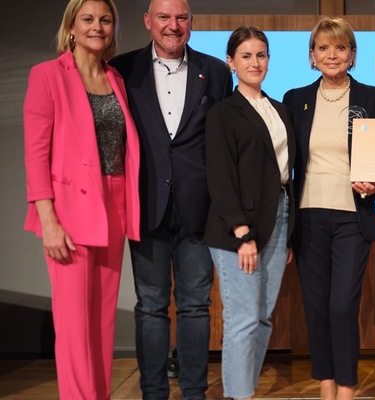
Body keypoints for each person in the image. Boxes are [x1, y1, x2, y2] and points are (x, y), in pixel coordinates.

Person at [108, 0, 232, 398]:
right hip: (145, 205)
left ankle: (194, 392)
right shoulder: (122, 70)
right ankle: (153, 393)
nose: (173, 26)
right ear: (148, 21)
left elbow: (221, 142)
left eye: (181, 18)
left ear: (191, 22)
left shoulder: (215, 71)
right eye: (164, 17)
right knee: (151, 306)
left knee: (196, 306)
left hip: (200, 208)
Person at [23, 0, 140, 398]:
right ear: (71, 26)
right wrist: (48, 221)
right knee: (74, 326)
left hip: (115, 204)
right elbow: (35, 153)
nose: (97, 27)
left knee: (102, 321)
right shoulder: (47, 75)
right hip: (68, 211)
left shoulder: (115, 78)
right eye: (88, 19)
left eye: (105, 20)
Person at [282, 17, 375, 400]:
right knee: (316, 307)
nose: (332, 55)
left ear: (352, 54)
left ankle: (346, 387)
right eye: (324, 48)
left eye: (341, 47)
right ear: (312, 55)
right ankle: (326, 386)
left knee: (342, 306)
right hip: (308, 216)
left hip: (352, 216)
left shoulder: (374, 98)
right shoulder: (295, 99)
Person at [204, 25, 295, 400]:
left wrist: (288, 232)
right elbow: (220, 177)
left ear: (269, 59)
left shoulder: (280, 109)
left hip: (280, 218)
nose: (254, 62)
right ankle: (239, 396)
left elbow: (285, 172)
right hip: (238, 227)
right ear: (230, 62)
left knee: (261, 317)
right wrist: (242, 232)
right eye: (245, 56)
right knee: (242, 319)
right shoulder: (223, 113)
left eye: (261, 55)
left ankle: (245, 391)